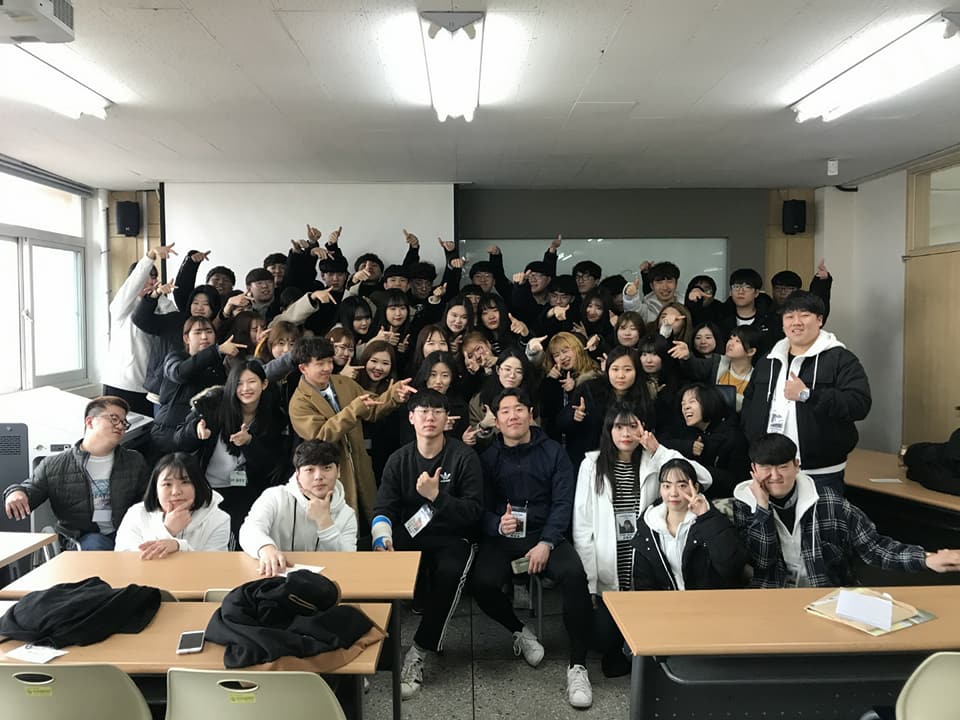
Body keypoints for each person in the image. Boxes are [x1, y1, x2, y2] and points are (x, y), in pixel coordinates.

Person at [470, 388, 594, 709]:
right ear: (496, 421)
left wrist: (547, 542)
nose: (513, 416)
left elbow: (563, 502)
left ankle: (578, 665)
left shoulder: (553, 452)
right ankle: (519, 631)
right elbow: (478, 508)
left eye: (519, 409)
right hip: (504, 537)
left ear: (531, 414)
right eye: (505, 411)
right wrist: (496, 524)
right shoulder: (487, 458)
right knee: (480, 582)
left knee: (574, 575)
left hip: (545, 533)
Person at [573, 405, 712, 676]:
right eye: (619, 427)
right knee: (602, 640)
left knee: (643, 644)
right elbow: (582, 526)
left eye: (633, 426)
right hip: (608, 568)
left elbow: (704, 478)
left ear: (644, 429)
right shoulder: (592, 464)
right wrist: (589, 583)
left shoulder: (654, 460)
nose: (626, 434)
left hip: (644, 568)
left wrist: (658, 450)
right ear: (609, 430)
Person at [733, 433, 960, 588]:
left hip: (825, 595)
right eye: (766, 468)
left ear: (797, 465)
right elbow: (763, 561)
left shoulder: (829, 502)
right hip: (771, 598)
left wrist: (926, 559)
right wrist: (761, 509)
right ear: (753, 469)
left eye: (783, 466)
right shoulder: (744, 505)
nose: (775, 476)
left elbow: (874, 547)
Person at [371, 389, 484, 699]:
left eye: (437, 412)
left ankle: (419, 651)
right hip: (411, 534)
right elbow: (383, 508)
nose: (430, 418)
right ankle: (371, 651)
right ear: (411, 418)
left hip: (454, 535)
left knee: (450, 573)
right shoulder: (399, 459)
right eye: (423, 411)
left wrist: (437, 496)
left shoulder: (463, 457)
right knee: (373, 562)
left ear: (447, 419)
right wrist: (382, 539)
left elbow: (474, 511)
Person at [741, 291, 871, 496]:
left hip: (820, 471)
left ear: (819, 320)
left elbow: (859, 404)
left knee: (821, 517)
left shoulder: (840, 358)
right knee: (768, 517)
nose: (796, 322)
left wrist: (807, 395)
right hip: (769, 469)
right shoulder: (769, 360)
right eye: (789, 316)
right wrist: (754, 439)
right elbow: (749, 403)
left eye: (804, 315)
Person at [288, 336, 416, 525]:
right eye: (320, 364)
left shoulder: (343, 382)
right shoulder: (299, 402)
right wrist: (352, 410)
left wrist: (394, 395)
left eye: (330, 361)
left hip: (361, 465)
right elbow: (320, 437)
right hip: (331, 475)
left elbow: (372, 406)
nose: (328, 368)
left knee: (372, 520)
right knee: (341, 526)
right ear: (303, 368)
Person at [3, 396, 148, 550]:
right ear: (90, 422)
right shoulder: (54, 464)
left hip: (126, 531)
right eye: (114, 419)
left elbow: (148, 498)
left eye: (124, 422)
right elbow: (30, 489)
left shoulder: (134, 460)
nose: (120, 426)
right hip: (82, 537)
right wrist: (15, 492)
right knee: (97, 544)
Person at [173, 360, 290, 536]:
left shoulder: (274, 417)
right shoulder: (213, 405)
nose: (245, 388)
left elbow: (272, 464)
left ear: (264, 384)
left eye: (252, 381)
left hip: (245, 490)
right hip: (205, 486)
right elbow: (178, 440)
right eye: (239, 383)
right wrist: (195, 431)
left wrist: (250, 443)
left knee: (241, 535)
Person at [239, 440, 358, 574]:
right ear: (297, 474)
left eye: (326, 468)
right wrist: (266, 549)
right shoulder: (275, 497)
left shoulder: (347, 514)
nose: (318, 477)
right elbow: (248, 530)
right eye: (310, 470)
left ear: (339, 471)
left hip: (327, 581)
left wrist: (325, 523)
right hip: (275, 577)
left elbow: (348, 560)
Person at [631, 458, 746, 590]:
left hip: (709, 600)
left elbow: (731, 567)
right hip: (665, 602)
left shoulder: (713, 519)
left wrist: (706, 517)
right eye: (667, 486)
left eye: (682, 486)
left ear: (695, 488)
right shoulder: (648, 524)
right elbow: (643, 582)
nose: (673, 493)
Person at [102, 244, 177, 416]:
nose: (151, 281)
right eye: (147, 276)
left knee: (145, 430)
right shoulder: (123, 306)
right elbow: (133, 285)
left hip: (148, 387)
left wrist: (159, 296)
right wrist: (150, 256)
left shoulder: (158, 305)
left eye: (154, 277)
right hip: (120, 384)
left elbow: (174, 322)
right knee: (115, 428)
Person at [115, 452, 231, 556]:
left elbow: (214, 567)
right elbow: (125, 564)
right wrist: (167, 531)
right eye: (167, 484)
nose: (176, 492)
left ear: (198, 485)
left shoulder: (218, 519)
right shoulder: (136, 515)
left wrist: (180, 547)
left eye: (185, 482)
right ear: (155, 489)